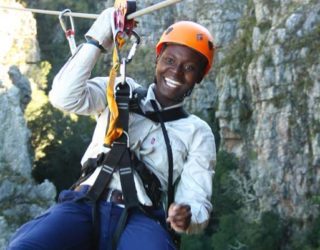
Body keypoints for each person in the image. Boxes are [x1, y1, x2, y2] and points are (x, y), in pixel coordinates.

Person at [7, 7, 216, 250]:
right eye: (170, 60)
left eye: (189, 68)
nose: (177, 71)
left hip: (140, 217)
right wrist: (99, 38)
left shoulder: (197, 132)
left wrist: (188, 216)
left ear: (199, 76)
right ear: (156, 60)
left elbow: (197, 196)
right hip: (85, 202)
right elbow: (64, 97)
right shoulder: (119, 89)